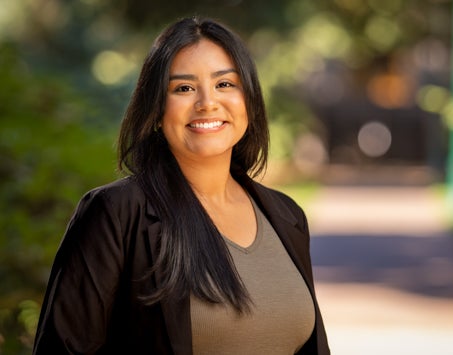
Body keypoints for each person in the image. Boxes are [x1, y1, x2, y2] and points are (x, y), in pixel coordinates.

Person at [32, 16, 329, 355]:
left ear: (249, 99)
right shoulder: (117, 214)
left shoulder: (286, 215)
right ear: (156, 110)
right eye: (183, 88)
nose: (207, 102)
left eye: (225, 84)